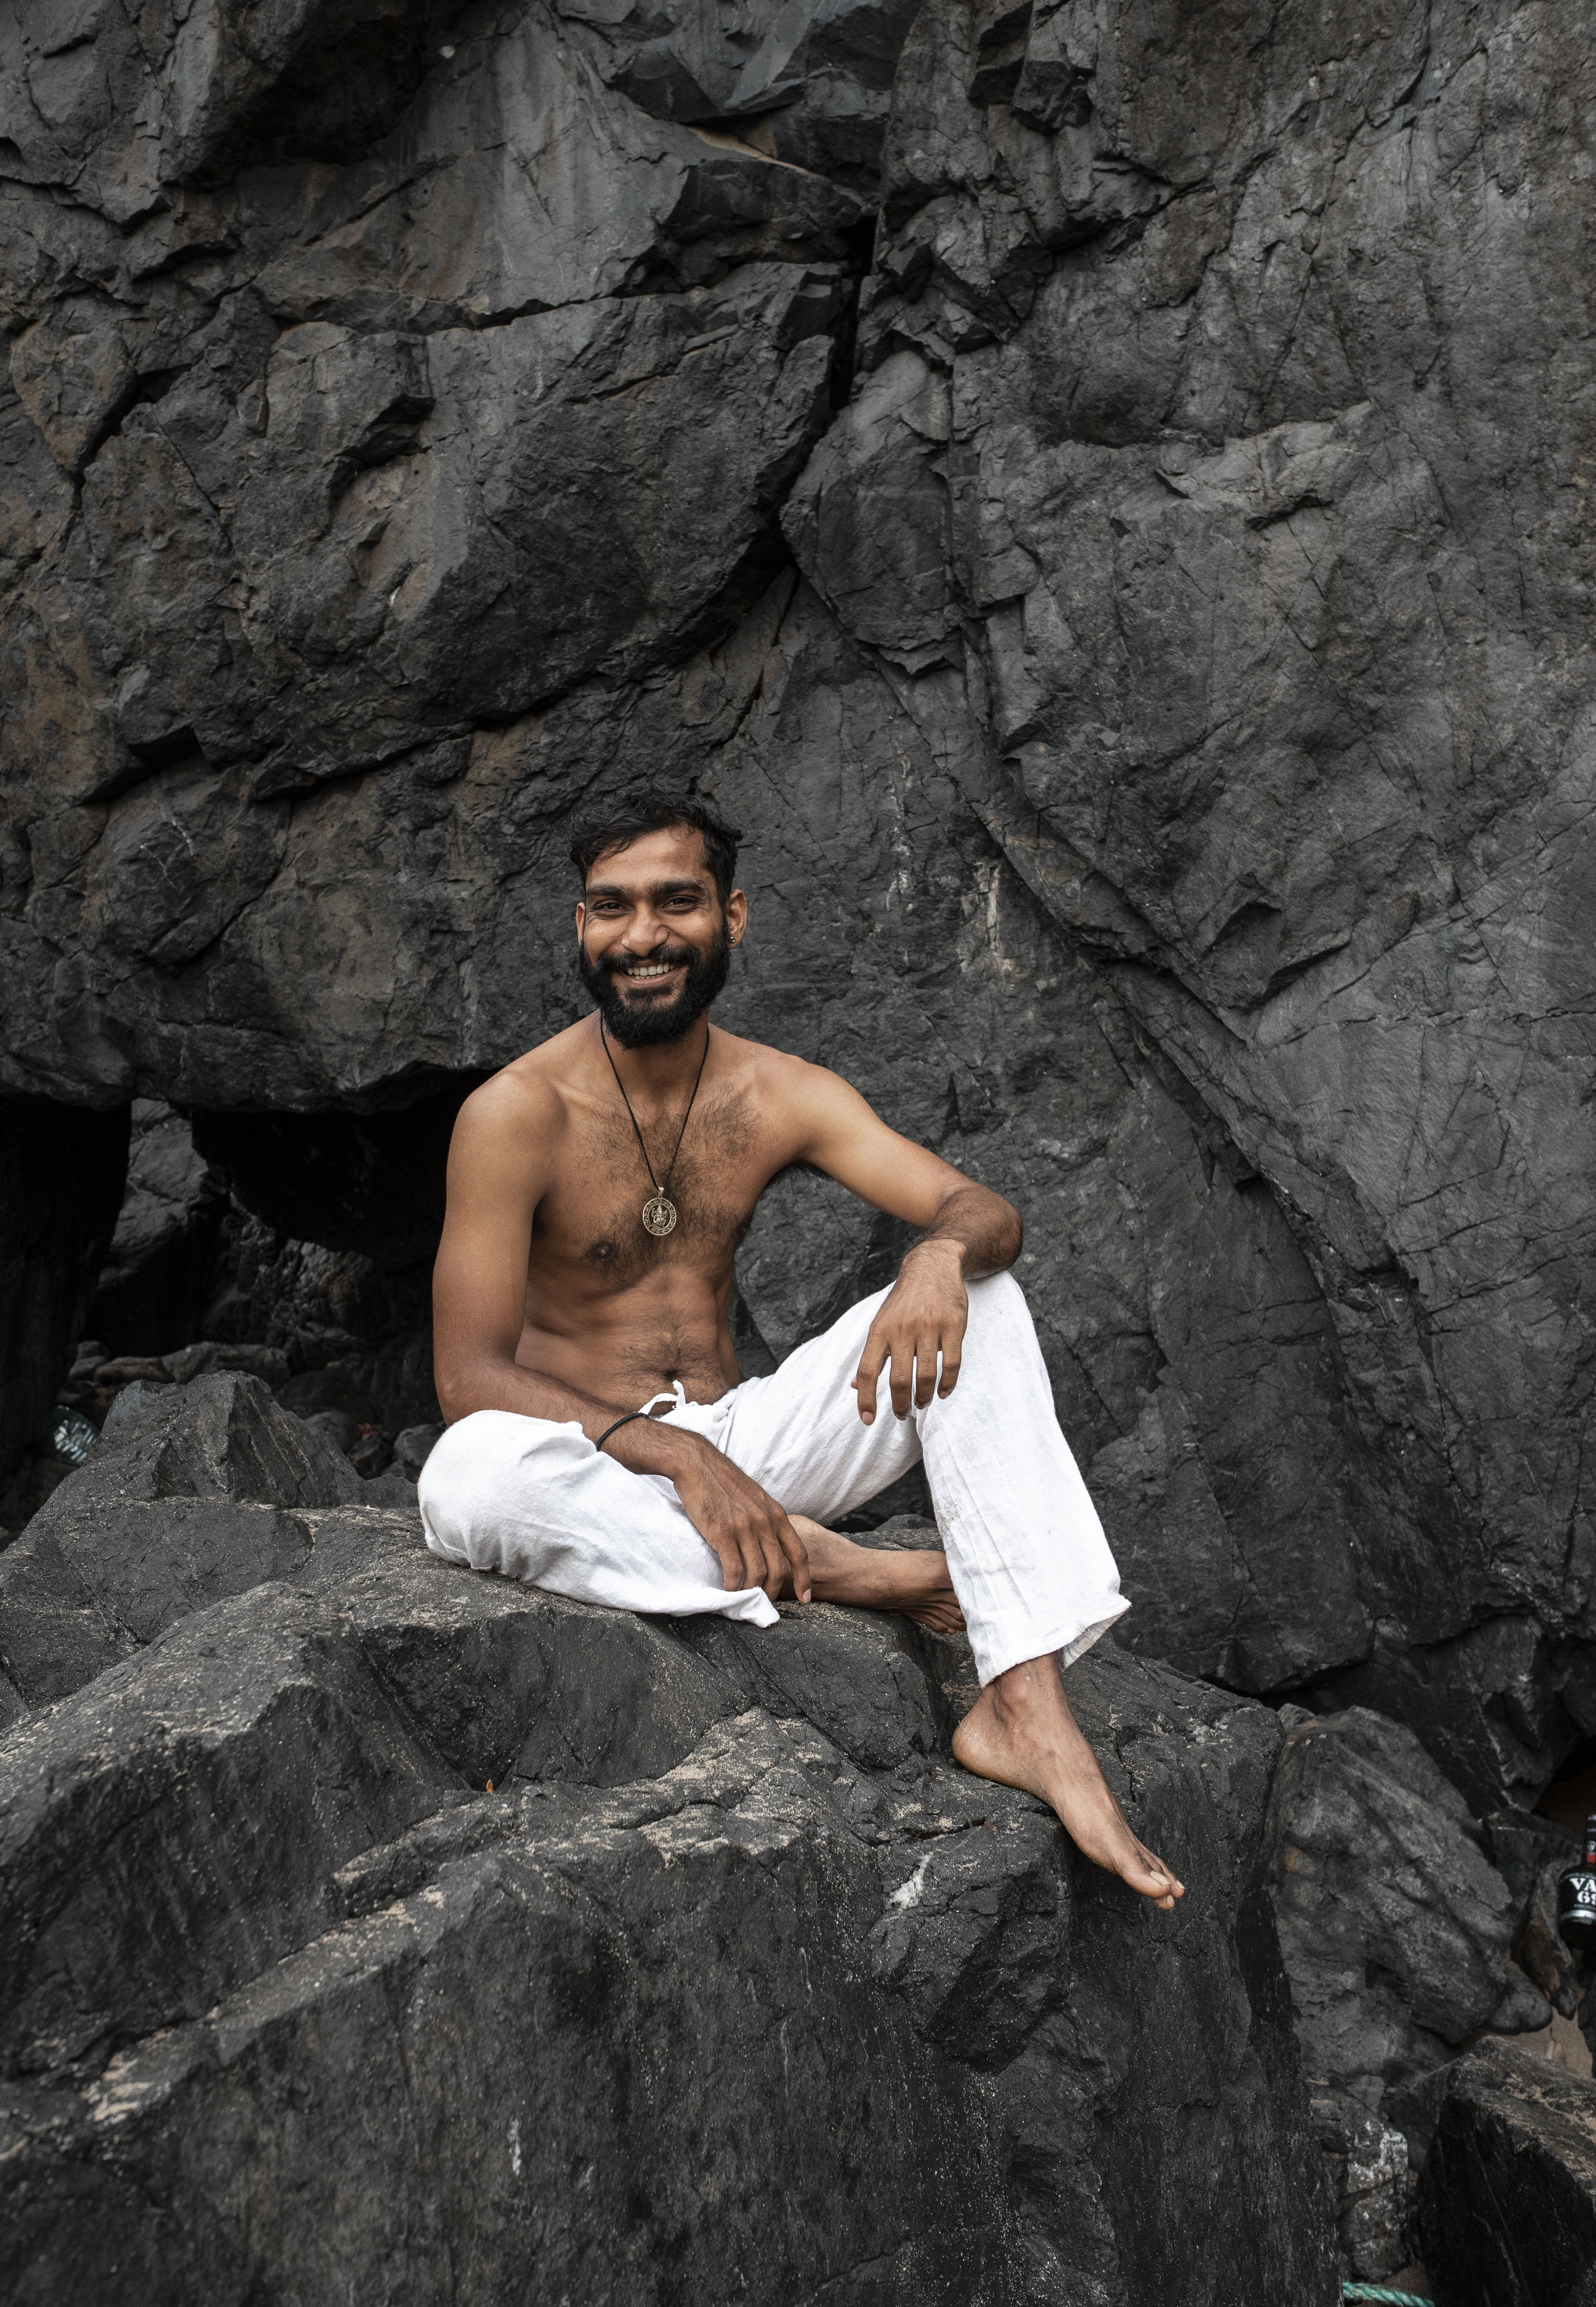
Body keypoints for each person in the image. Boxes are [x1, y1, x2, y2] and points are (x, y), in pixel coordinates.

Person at [422, 788, 1184, 1908]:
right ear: (581, 927)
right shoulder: (515, 1111)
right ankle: (844, 1570)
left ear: (733, 918)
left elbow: (979, 1208)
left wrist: (935, 1260)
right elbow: (469, 1380)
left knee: (991, 1295)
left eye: (674, 903)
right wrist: (679, 1458)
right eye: (610, 908)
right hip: (603, 1463)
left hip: (755, 1446)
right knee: (468, 1481)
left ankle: (1024, 1706)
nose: (641, 937)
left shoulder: (782, 1093)